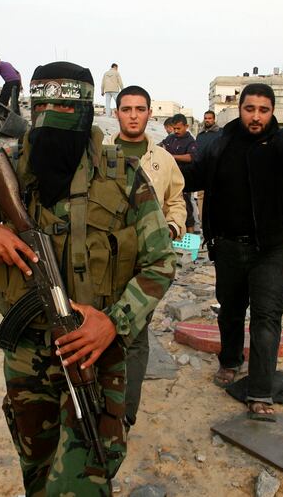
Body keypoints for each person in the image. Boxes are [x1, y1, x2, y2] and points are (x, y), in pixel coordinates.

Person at [0, 61, 175, 495]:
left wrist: (114, 322)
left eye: (64, 111)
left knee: (85, 476)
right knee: (37, 467)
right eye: (42, 108)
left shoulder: (122, 174)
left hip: (92, 349)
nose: (51, 124)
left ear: (84, 113)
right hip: (26, 350)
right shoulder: (10, 168)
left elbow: (160, 262)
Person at [182, 83, 283, 420]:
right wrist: (160, 166)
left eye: (263, 110)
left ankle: (260, 392)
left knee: (266, 317)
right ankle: (230, 360)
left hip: (272, 249)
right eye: (250, 109)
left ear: (272, 113)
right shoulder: (219, 144)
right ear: (240, 109)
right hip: (229, 246)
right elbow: (194, 176)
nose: (256, 116)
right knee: (230, 311)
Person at [111, 85, 186, 427]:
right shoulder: (98, 152)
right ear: (117, 113)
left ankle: (124, 414)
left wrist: (171, 228)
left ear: (149, 114)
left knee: (135, 335)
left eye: (139, 109)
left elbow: (177, 201)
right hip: (105, 260)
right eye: (126, 109)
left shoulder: (164, 160)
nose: (133, 116)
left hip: (146, 262)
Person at [161, 113, 200, 234]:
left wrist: (172, 157)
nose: (176, 131)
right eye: (174, 128)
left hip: (184, 179)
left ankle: (190, 234)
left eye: (179, 128)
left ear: (186, 126)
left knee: (187, 208)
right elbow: (161, 146)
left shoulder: (190, 141)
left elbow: (191, 157)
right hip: (169, 178)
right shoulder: (170, 138)